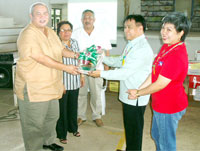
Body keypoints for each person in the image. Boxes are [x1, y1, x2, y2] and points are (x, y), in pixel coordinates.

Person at [14, 2, 79, 151]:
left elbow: (61, 49)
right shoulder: (27, 34)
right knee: (34, 123)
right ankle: (34, 148)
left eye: (45, 13)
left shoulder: (49, 31)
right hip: (34, 87)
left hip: (51, 85)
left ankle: (47, 142)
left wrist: (76, 55)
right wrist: (66, 68)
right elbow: (40, 57)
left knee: (52, 117)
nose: (43, 17)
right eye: (38, 13)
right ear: (31, 16)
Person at [127, 12, 191, 151]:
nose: (163, 32)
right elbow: (154, 72)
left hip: (169, 106)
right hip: (159, 104)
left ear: (181, 33)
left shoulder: (176, 55)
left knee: (166, 143)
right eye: (163, 28)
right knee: (156, 136)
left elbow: (160, 84)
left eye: (169, 29)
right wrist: (138, 89)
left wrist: (138, 93)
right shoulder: (166, 47)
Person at [89, 14, 153, 151]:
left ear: (140, 28)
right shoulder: (132, 44)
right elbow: (120, 61)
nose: (126, 30)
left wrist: (101, 73)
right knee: (130, 128)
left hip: (135, 96)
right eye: (124, 27)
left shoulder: (141, 48)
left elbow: (124, 72)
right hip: (128, 93)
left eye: (129, 27)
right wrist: (102, 57)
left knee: (134, 131)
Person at [72, 9, 112, 127]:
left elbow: (107, 51)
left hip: (97, 69)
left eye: (90, 18)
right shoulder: (75, 33)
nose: (87, 20)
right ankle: (81, 116)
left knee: (96, 94)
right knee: (81, 93)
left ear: (94, 20)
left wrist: (107, 68)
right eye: (85, 17)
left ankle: (97, 116)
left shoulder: (101, 33)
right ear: (81, 20)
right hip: (81, 70)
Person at [56, 21, 83, 144]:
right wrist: (60, 83)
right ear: (58, 32)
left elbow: (80, 61)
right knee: (62, 109)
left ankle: (73, 128)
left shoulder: (75, 43)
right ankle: (61, 133)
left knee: (73, 107)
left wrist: (82, 76)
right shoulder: (56, 44)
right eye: (63, 30)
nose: (66, 32)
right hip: (62, 82)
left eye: (69, 30)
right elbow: (55, 66)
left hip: (75, 81)